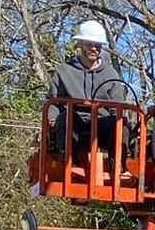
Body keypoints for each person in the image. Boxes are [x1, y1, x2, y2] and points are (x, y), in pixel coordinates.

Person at [46, 19, 137, 159]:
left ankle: (118, 166)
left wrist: (119, 119)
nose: (94, 48)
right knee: (65, 118)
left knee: (120, 122)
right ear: (79, 44)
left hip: (101, 125)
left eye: (97, 44)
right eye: (89, 44)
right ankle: (68, 162)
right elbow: (53, 102)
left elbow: (118, 107)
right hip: (74, 123)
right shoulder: (63, 71)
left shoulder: (111, 74)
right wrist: (52, 120)